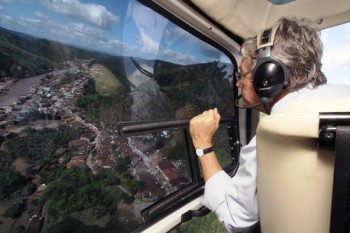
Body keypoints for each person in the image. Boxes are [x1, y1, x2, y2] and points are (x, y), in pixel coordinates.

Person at [189, 17, 350, 233]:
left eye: (242, 75)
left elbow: (235, 219)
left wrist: (203, 144)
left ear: (268, 76)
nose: (237, 83)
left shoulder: (276, 134)